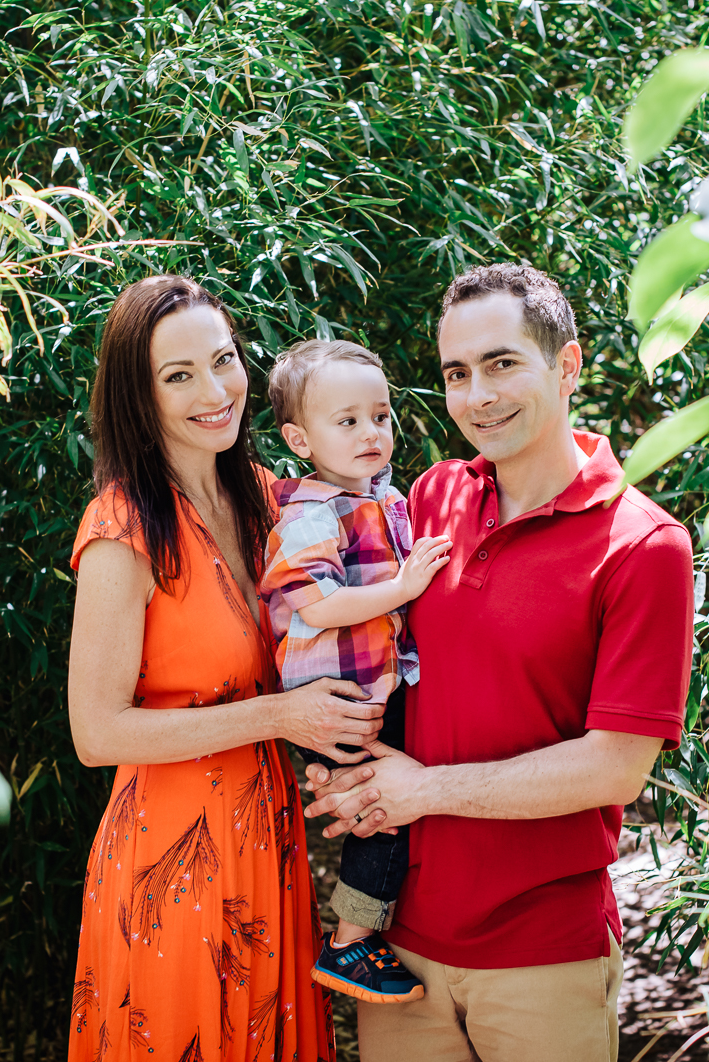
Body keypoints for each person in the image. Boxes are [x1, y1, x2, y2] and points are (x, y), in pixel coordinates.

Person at [303, 264, 695, 1062]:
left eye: (503, 363)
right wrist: (345, 760)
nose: (478, 395)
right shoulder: (435, 495)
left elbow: (615, 769)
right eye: (457, 373)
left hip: (543, 952)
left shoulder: (645, 546)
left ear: (569, 364)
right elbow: (380, 659)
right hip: (398, 949)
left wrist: (420, 790)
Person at [65, 275, 375, 1062]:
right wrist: (279, 718)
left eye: (225, 360)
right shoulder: (122, 527)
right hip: (173, 858)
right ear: (140, 396)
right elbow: (96, 733)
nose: (216, 390)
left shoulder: (274, 503)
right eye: (179, 376)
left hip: (269, 836)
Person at [258, 340, 451, 1005]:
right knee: (386, 806)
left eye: (381, 416)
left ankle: (361, 934)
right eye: (348, 422)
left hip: (370, 685)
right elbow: (321, 601)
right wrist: (405, 585)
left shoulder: (380, 496)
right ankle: (350, 943)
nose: (372, 433)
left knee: (390, 800)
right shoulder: (313, 511)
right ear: (299, 438)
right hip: (336, 698)